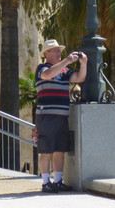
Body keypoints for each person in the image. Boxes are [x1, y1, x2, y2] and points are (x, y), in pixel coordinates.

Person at [34, 38, 87, 193]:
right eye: (56, 50)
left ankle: (57, 181)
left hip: (61, 116)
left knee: (60, 150)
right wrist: (67, 61)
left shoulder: (64, 71)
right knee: (46, 150)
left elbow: (79, 78)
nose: (59, 53)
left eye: (59, 50)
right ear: (47, 53)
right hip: (47, 115)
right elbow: (49, 74)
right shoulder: (41, 68)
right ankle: (45, 183)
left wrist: (83, 64)